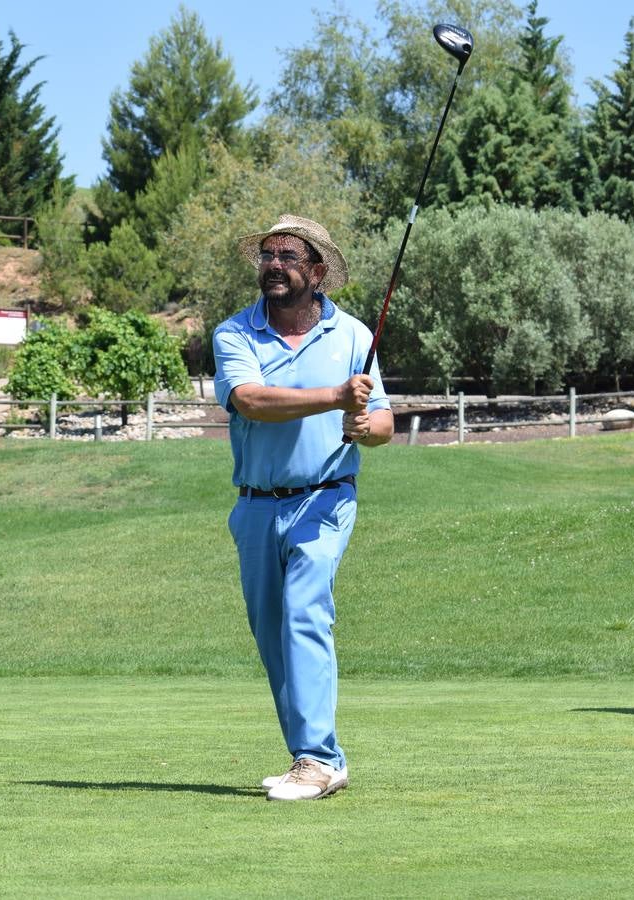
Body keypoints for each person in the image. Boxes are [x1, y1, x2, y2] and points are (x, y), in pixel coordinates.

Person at [212, 214, 394, 800]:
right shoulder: (235, 334)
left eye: (288, 255)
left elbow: (385, 421)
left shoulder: (354, 336)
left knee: (304, 612)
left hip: (325, 497)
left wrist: (366, 426)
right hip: (256, 504)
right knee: (273, 635)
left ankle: (318, 758)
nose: (273, 264)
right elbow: (250, 401)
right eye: (267, 254)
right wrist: (336, 397)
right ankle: (311, 758)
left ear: (316, 272)